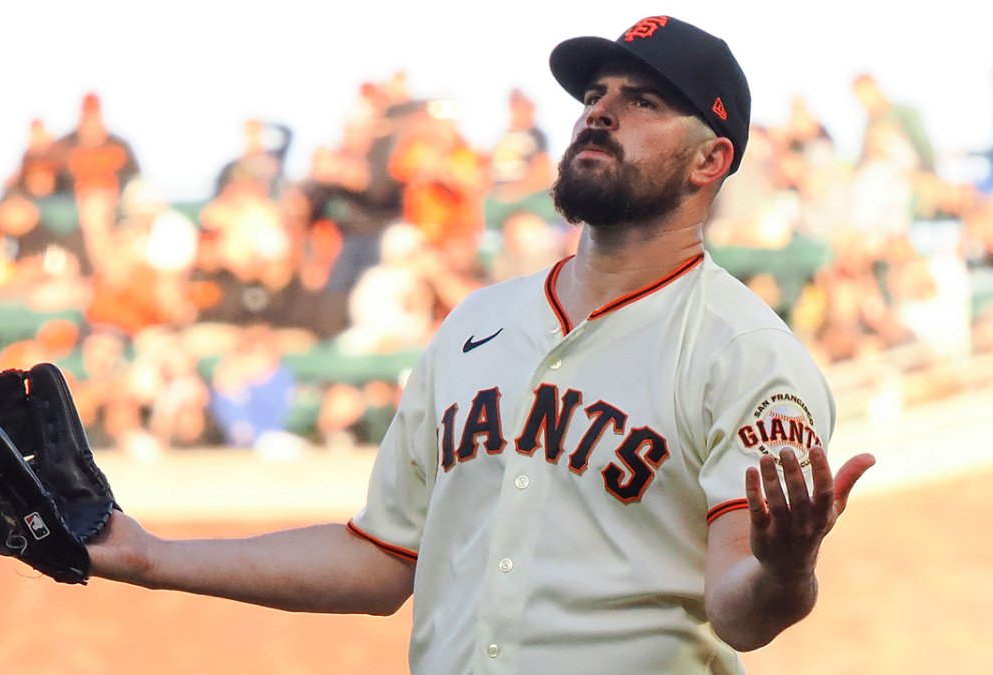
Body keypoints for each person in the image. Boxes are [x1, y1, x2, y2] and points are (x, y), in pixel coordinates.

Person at [85, 16, 875, 673]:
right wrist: (148, 557)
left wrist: (786, 569)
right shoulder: (474, 323)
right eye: (595, 95)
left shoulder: (747, 352)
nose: (599, 111)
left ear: (712, 159)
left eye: (641, 101)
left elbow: (742, 611)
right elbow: (378, 557)